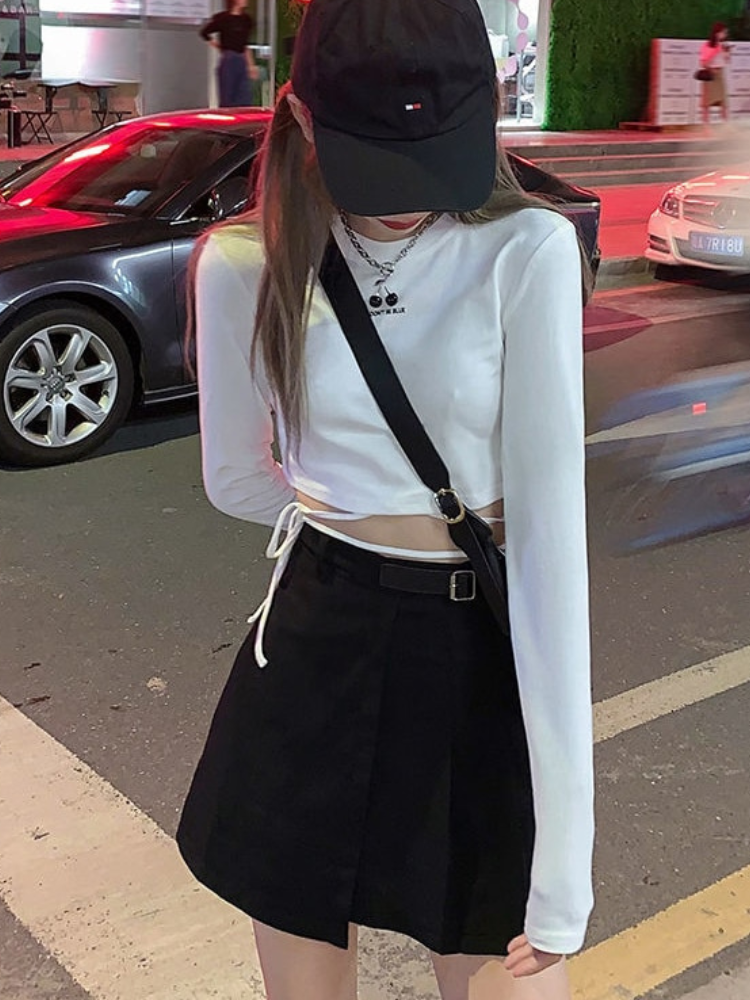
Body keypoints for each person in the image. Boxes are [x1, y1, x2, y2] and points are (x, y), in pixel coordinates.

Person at [177, 0, 595, 997]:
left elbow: (549, 547)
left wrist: (566, 869)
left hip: (470, 652)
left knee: (509, 961)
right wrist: (339, 513)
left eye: (431, 152)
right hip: (315, 644)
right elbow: (233, 477)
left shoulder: (526, 249)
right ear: (302, 116)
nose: (406, 196)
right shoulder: (242, 263)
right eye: (376, 157)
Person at [199, 0, 259, 108]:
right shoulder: (223, 19)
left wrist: (251, 65)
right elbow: (204, 33)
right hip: (229, 58)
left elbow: (245, 44)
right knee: (227, 95)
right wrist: (220, 47)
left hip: (241, 58)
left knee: (244, 95)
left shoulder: (246, 20)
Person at [699, 22, 732, 125]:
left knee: (723, 102)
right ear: (717, 33)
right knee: (707, 102)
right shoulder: (707, 45)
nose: (725, 35)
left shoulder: (722, 45)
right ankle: (706, 126)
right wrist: (715, 51)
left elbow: (727, 61)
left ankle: (725, 124)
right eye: (724, 32)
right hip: (710, 74)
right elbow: (703, 62)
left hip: (720, 73)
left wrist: (727, 53)